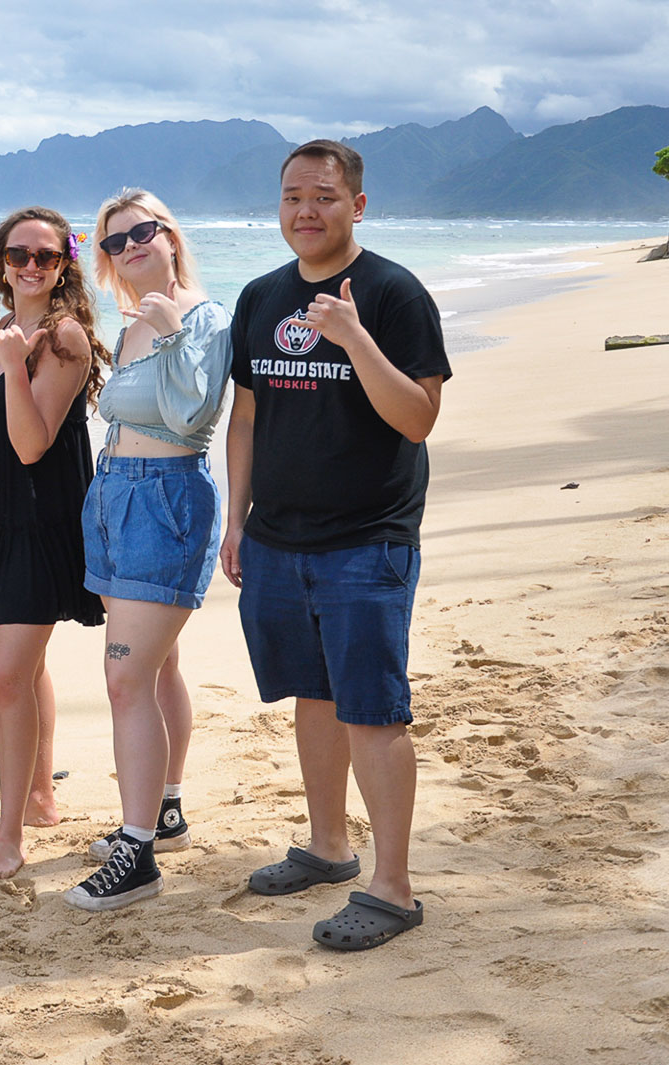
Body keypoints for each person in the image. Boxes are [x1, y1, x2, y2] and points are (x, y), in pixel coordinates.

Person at [221, 140, 449, 949]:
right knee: (311, 695)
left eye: (322, 196)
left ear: (357, 204)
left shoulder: (391, 293)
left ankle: (392, 888)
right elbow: (245, 415)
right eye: (291, 197)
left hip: (367, 538)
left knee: (374, 709)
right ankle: (328, 846)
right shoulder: (260, 296)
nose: (304, 211)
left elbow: (417, 419)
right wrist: (237, 518)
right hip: (279, 539)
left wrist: (353, 338)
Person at [63, 189, 233, 912]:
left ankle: (136, 854)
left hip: (165, 499)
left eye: (141, 233)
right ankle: (163, 812)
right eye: (113, 242)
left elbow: (191, 415)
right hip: (114, 495)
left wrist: (169, 333)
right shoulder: (129, 320)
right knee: (157, 668)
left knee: (125, 679)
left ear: (169, 235)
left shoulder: (203, 314)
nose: (129, 247)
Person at [0, 207, 107, 885]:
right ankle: (38, 797)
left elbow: (32, 442)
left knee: (7, 672)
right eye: (19, 255)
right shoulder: (8, 331)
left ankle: (10, 837)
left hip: (42, 518)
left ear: (66, 262)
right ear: (0, 263)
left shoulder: (64, 336)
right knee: (26, 666)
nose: (32, 267)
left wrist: (13, 364)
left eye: (46, 256)